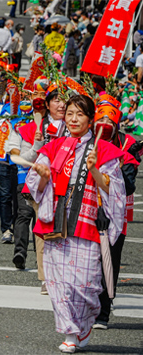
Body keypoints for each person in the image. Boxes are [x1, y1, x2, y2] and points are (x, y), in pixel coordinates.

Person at [27, 95, 126, 353]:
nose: (73, 119)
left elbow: (114, 190)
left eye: (79, 114)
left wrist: (94, 170)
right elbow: (35, 185)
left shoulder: (103, 149)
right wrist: (43, 177)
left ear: (90, 119)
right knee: (58, 284)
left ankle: (84, 326)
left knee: (87, 285)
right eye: (69, 113)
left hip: (87, 224)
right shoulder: (54, 146)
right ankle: (70, 333)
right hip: (57, 223)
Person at [91, 102, 140, 330]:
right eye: (101, 121)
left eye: (110, 122)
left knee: (109, 261)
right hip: (86, 210)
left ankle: (103, 311)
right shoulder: (85, 143)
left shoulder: (126, 145)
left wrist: (117, 168)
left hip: (116, 215)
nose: (105, 125)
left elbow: (129, 187)